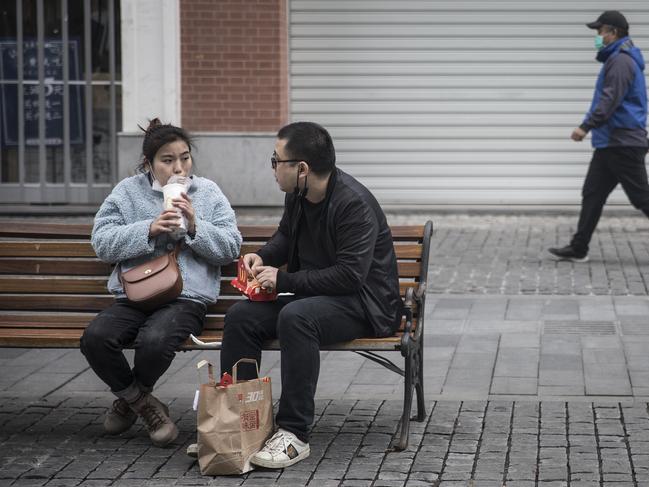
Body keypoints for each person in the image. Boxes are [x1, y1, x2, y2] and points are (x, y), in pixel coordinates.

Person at [219, 121, 402, 469]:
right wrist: (264, 257)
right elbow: (286, 237)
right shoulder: (299, 196)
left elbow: (350, 276)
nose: (273, 168)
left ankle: (294, 433)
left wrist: (284, 279)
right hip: (315, 296)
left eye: (277, 160)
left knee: (296, 318)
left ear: (301, 169)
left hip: (364, 304)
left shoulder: (353, 204)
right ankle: (242, 425)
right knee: (241, 317)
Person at [80, 118, 241, 447]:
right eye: (167, 160)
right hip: (134, 294)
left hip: (187, 297)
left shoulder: (207, 192)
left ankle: (128, 401)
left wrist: (196, 226)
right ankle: (144, 403)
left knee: (156, 340)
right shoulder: (127, 192)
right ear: (149, 164)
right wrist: (148, 229)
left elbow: (231, 247)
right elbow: (102, 242)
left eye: (184, 157)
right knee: (96, 338)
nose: (178, 167)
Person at [549, 10, 649, 262]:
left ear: (613, 32)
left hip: (622, 142)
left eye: (600, 31)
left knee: (642, 198)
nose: (598, 36)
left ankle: (579, 246)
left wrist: (586, 126)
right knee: (592, 193)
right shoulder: (617, 58)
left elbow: (610, 99)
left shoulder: (621, 61)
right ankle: (579, 247)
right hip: (611, 143)